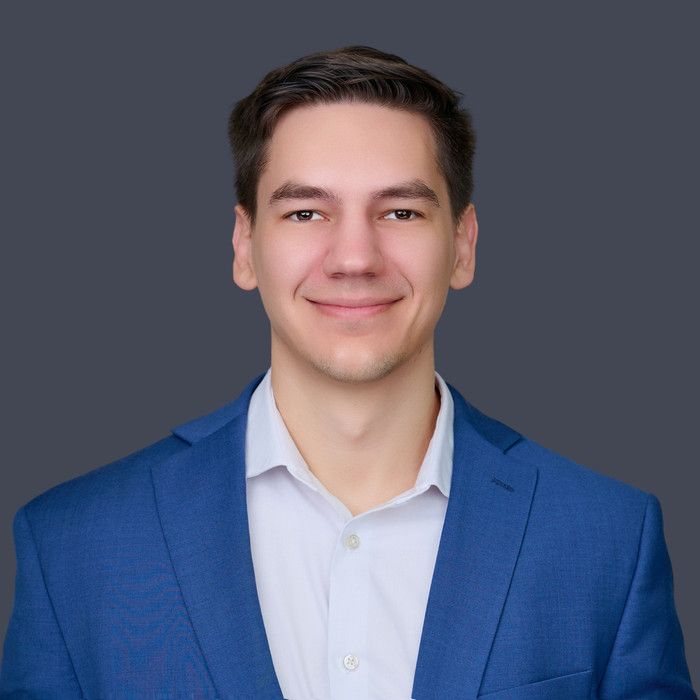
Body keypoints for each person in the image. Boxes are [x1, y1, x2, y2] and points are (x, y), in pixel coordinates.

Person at [0, 45, 695, 700]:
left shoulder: (607, 539)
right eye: (306, 212)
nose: (355, 258)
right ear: (245, 246)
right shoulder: (74, 545)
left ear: (462, 246)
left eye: (401, 211)